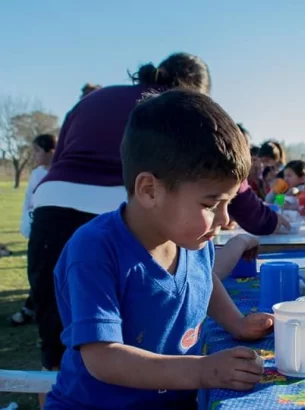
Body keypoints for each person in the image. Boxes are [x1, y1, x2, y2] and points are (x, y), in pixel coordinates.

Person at [44, 90, 274, 410]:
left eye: (228, 203)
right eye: (210, 204)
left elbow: (204, 283)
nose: (224, 219)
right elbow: (103, 357)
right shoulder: (94, 250)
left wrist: (236, 323)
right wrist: (203, 371)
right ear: (150, 190)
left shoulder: (193, 240)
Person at [28, 54, 213, 397]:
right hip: (126, 210)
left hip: (57, 204)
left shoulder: (96, 99)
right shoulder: (178, 118)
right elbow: (207, 174)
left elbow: (62, 158)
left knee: (57, 338)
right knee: (93, 336)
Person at [10, 133, 57, 327]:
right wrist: (26, 225)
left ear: (51, 151)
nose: (34, 155)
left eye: (37, 151)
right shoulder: (37, 173)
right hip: (37, 229)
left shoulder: (61, 172)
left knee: (48, 273)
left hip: (54, 232)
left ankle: (33, 312)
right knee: (38, 272)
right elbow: (29, 201)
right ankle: (32, 310)